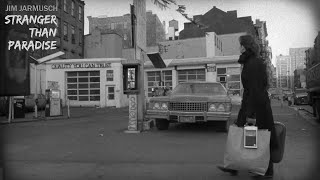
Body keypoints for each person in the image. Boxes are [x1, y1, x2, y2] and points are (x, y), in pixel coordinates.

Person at [217, 35, 277, 178]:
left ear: (245, 46)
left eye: (241, 45)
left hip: (256, 107)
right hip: (252, 105)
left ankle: (265, 171)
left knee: (259, 137)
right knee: (243, 134)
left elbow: (255, 89)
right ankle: (235, 165)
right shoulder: (251, 62)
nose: (240, 47)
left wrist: (251, 113)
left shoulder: (253, 63)